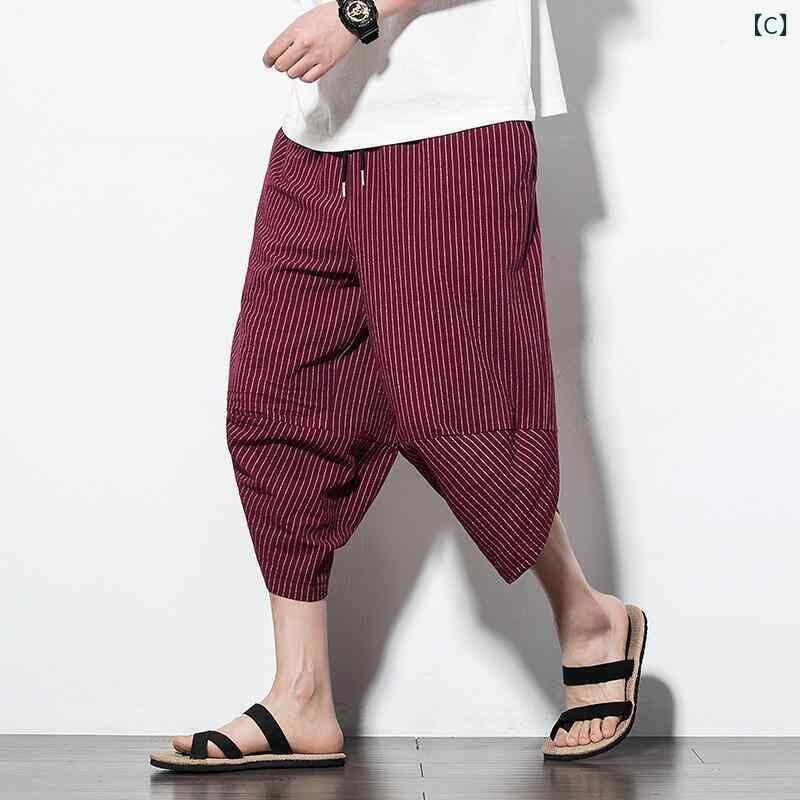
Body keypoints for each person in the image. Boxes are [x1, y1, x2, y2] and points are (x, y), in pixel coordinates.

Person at [149, 0, 646, 772]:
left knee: (460, 413)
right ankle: (301, 694)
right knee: (275, 404)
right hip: (321, 130)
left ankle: (590, 620)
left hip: (453, 126)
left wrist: (361, 13)